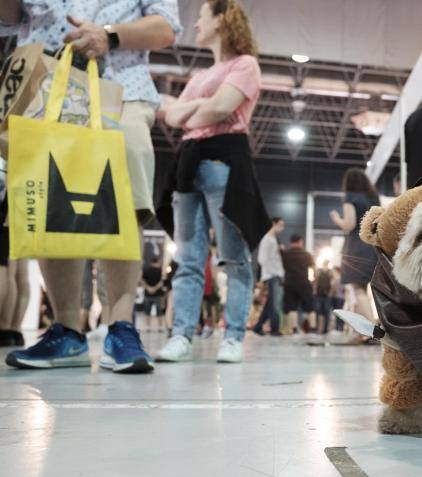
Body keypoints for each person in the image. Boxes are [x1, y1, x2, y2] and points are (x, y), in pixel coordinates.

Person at [1, 0, 181, 373]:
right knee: (50, 196)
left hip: (121, 86)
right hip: (46, 84)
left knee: (125, 179)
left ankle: (121, 325)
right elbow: (8, 20)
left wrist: (110, 37)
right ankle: (67, 329)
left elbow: (165, 26)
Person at [154, 0, 270, 364]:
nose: (196, 25)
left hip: (224, 160)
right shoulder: (200, 76)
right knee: (188, 257)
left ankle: (233, 335)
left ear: (222, 19)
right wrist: (193, 110)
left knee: (234, 257)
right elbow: (170, 117)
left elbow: (220, 109)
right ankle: (181, 335)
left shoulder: (245, 64)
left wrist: (186, 110)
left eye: (202, 17)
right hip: (187, 163)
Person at [330, 168, 379, 343]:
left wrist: (336, 218)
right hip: (372, 246)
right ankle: (362, 332)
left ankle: (373, 331)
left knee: (358, 290)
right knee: (366, 290)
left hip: (356, 247)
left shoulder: (350, 197)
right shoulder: (374, 198)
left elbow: (349, 224)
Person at [253, 217, 285, 336]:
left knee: (271, 304)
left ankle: (258, 327)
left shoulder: (274, 239)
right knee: (275, 304)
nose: (282, 228)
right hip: (272, 276)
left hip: (276, 275)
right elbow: (262, 259)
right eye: (280, 225)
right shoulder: (267, 239)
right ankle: (275, 329)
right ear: (273, 224)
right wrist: (271, 273)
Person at [281, 234, 314, 335]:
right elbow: (313, 269)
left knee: (291, 307)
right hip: (304, 282)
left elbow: (282, 267)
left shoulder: (285, 254)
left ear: (291, 242)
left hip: (290, 283)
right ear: (300, 241)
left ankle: (294, 330)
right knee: (310, 307)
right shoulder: (306, 254)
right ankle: (312, 329)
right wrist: (313, 280)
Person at [141, 257, 165, 332]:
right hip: (158, 294)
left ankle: (148, 326)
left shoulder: (146, 270)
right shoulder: (160, 270)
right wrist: (155, 288)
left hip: (147, 294)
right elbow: (162, 281)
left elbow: (142, 280)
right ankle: (160, 327)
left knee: (147, 311)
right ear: (157, 262)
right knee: (159, 312)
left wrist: (148, 288)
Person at [315, 261, 334, 335]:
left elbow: (332, 282)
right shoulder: (320, 271)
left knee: (326, 313)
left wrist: (330, 293)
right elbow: (316, 281)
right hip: (320, 294)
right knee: (319, 312)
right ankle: (319, 328)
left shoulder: (330, 272)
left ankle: (325, 329)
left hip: (326, 295)